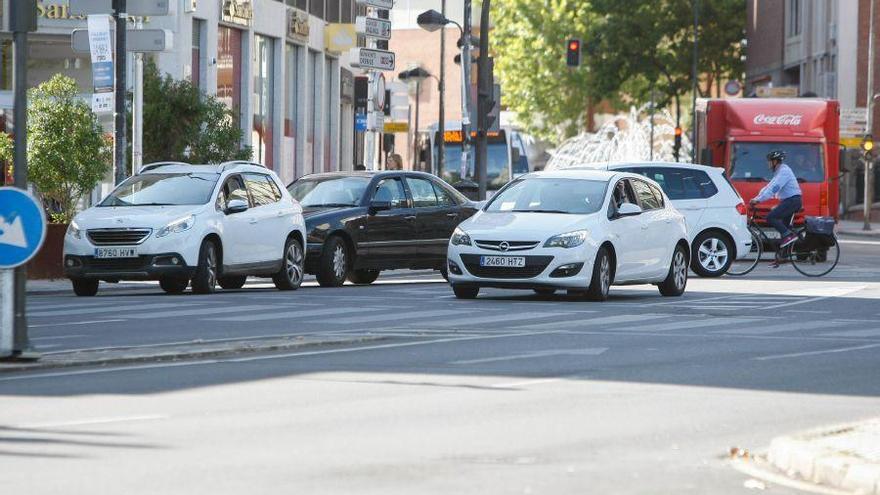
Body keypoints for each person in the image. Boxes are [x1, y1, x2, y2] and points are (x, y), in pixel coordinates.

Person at [750, 150, 802, 249]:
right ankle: (782, 256)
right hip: (790, 201)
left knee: (771, 217)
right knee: (784, 228)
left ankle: (788, 236)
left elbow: (774, 188)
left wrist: (759, 200)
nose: (768, 164)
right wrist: (757, 198)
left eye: (769, 161)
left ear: (775, 162)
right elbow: (769, 186)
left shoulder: (784, 172)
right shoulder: (779, 172)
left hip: (792, 201)